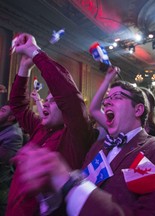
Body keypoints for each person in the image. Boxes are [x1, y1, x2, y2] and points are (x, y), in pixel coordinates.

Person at [14, 67, 155, 216]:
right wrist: (49, 191)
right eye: (107, 99)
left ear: (138, 109)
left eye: (117, 96)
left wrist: (68, 182)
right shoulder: (97, 147)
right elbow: (75, 204)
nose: (108, 102)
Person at [6, 33, 95, 216]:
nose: (45, 103)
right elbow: (17, 104)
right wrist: (24, 67)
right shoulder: (40, 127)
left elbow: (69, 97)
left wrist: (34, 52)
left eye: (53, 101)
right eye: (45, 100)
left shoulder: (75, 137)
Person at [0, 104, 23, 215]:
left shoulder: (14, 135)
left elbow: (2, 160)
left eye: (2, 111)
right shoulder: (3, 127)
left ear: (10, 118)